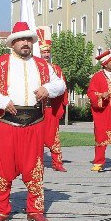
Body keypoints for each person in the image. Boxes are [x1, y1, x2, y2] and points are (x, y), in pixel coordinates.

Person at [0, 22, 65, 221]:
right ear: (13, 43)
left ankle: (35, 209)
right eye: (21, 40)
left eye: (29, 40)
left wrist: (47, 89)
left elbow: (60, 84)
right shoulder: (0, 63)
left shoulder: (43, 65)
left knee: (34, 168)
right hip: (7, 122)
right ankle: (1, 210)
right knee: (2, 167)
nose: (26, 43)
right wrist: (2, 102)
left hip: (34, 123)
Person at [42, 40, 68, 171]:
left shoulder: (56, 69)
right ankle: (34, 162)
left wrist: (63, 103)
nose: (46, 54)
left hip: (51, 108)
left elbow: (63, 86)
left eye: (48, 52)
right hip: (37, 109)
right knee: (35, 137)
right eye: (43, 52)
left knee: (54, 136)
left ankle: (57, 162)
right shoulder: (34, 67)